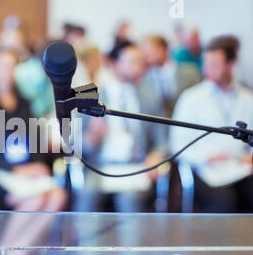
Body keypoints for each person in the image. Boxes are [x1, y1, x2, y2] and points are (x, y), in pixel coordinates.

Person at [0, 47, 67, 255]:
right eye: (2, 66)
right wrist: (17, 170)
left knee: (56, 196)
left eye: (11, 66)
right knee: (34, 201)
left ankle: (18, 254)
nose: (7, 71)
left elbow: (34, 139)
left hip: (26, 170)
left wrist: (37, 165)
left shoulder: (24, 102)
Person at [170, 35, 253, 213]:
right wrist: (206, 157)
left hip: (239, 167)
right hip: (205, 170)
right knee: (224, 200)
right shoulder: (191, 98)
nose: (208, 70)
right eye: (206, 63)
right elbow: (177, 144)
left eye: (215, 65)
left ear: (231, 65)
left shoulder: (247, 98)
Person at [81, 42, 161, 212]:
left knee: (130, 199)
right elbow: (77, 145)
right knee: (87, 197)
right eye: (132, 62)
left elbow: (162, 138)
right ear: (115, 64)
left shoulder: (149, 96)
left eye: (141, 61)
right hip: (101, 166)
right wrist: (92, 137)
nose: (139, 67)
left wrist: (156, 156)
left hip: (136, 166)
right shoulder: (92, 97)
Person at [138, 35, 202, 155]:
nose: (146, 56)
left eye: (149, 51)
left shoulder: (190, 72)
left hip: (189, 137)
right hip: (159, 144)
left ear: (163, 49)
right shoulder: (143, 80)